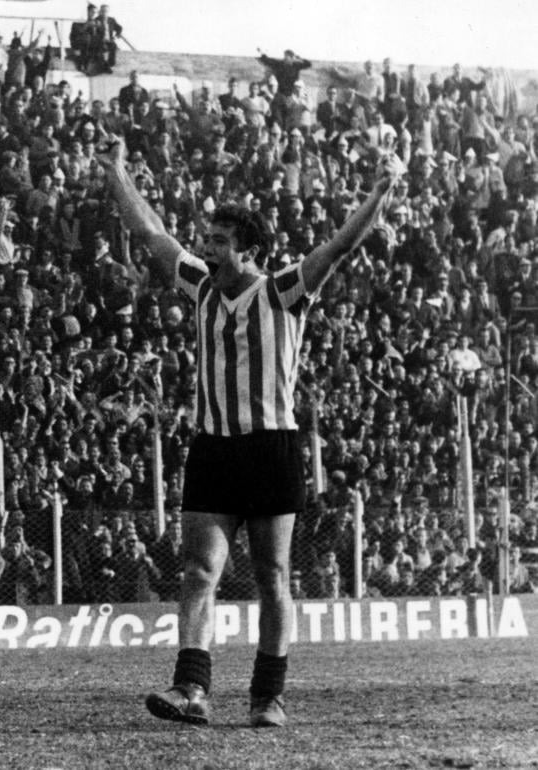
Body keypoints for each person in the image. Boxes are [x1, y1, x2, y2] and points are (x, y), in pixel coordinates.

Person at [95, 138, 402, 728]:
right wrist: (116, 172)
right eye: (206, 242)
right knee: (197, 571)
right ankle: (192, 688)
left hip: (270, 447)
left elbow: (341, 245)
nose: (206, 251)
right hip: (213, 447)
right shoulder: (202, 287)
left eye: (218, 243)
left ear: (250, 251)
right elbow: (153, 236)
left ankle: (268, 696)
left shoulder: (283, 291)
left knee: (272, 576)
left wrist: (380, 193)